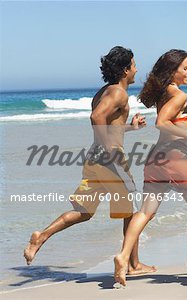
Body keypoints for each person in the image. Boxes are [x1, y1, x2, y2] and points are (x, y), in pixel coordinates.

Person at [24, 46, 155, 276]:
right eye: (134, 65)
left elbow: (108, 126)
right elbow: (96, 117)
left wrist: (130, 127)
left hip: (94, 158)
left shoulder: (103, 92)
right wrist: (110, 152)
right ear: (125, 70)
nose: (136, 69)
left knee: (83, 211)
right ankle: (132, 264)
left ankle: (41, 236)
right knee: (133, 210)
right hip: (109, 158)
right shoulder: (118, 93)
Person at [114, 49, 187, 287]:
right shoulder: (177, 95)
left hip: (157, 161)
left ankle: (123, 256)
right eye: (185, 68)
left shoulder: (163, 93)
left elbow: (172, 120)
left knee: (145, 212)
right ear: (172, 71)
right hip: (178, 161)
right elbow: (162, 124)